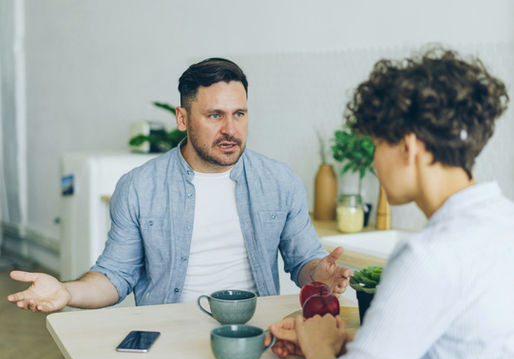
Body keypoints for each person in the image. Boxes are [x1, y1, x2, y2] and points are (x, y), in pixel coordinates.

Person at [7, 58, 352, 312]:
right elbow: (114, 276)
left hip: (254, 333)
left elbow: (303, 262)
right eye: (215, 115)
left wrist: (319, 272)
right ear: (183, 118)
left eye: (239, 114)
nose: (231, 129)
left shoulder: (279, 181)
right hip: (166, 333)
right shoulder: (139, 187)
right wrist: (67, 291)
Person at [267, 48, 513, 359]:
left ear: (408, 147)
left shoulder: (428, 256)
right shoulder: (503, 221)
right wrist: (342, 345)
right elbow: (451, 350)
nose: (373, 162)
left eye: (376, 144)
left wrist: (318, 345)